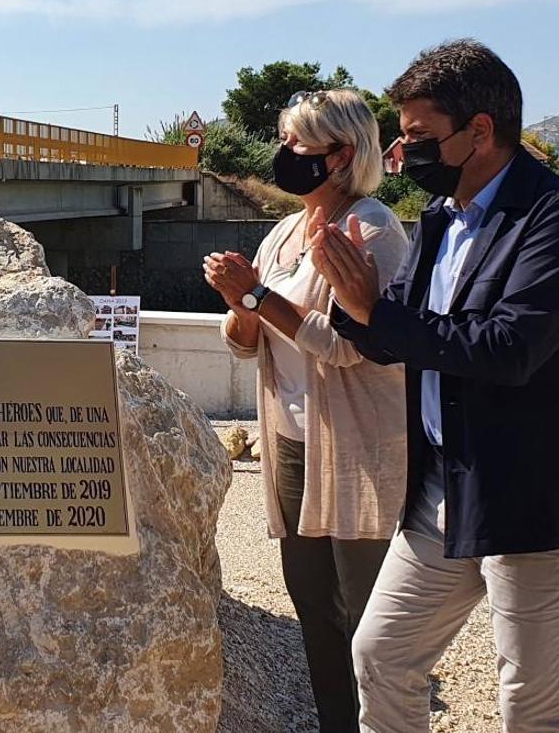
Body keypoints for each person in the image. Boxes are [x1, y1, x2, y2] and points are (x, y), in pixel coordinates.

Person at [312, 40, 559, 732]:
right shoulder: (441, 220)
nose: (402, 151)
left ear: (479, 131)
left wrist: (374, 311)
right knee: (383, 655)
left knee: (532, 707)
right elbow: (404, 334)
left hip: (538, 501)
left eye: (419, 136)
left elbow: (510, 349)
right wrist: (353, 306)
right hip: (445, 492)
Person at [203, 88, 410, 733]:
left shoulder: (372, 229)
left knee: (365, 609)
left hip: (357, 447)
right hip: (290, 445)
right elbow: (246, 344)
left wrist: (258, 296)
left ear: (342, 153)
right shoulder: (286, 230)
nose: (284, 153)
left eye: (297, 143)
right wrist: (241, 306)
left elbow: (353, 348)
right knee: (312, 602)